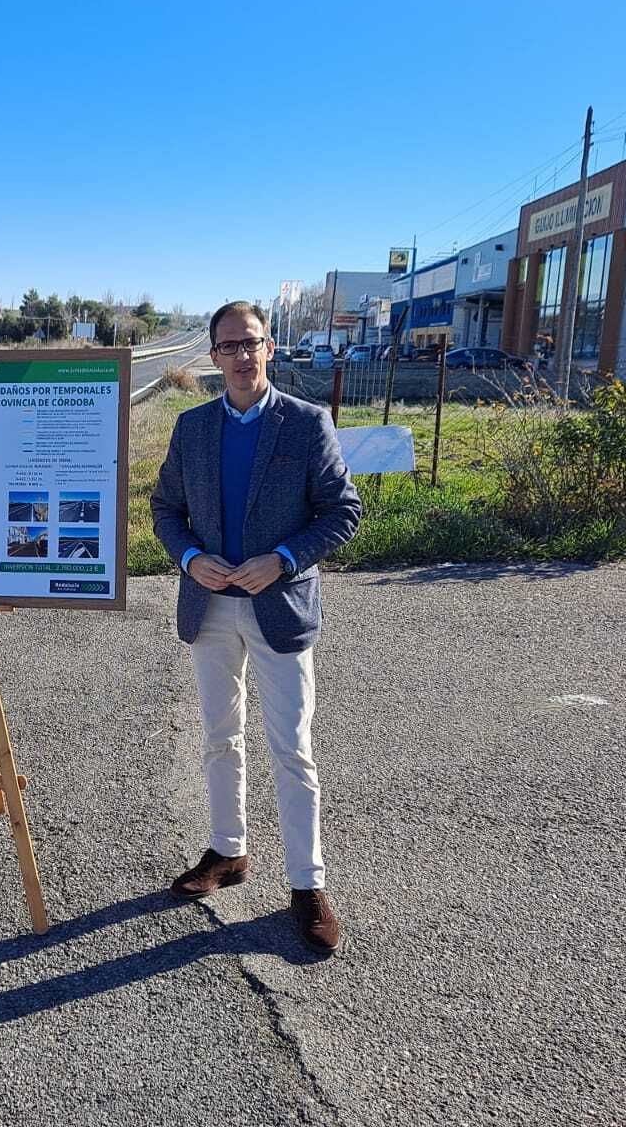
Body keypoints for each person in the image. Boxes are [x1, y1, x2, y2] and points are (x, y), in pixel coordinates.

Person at [150, 302, 362, 952]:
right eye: (229, 346)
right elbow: (165, 510)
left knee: (291, 747)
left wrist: (284, 559)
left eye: (253, 343)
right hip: (209, 606)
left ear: (271, 349)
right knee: (219, 737)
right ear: (212, 358)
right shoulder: (192, 430)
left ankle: (307, 883)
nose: (242, 356)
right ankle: (228, 850)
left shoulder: (305, 425)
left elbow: (342, 513)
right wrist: (190, 558)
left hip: (279, 605)